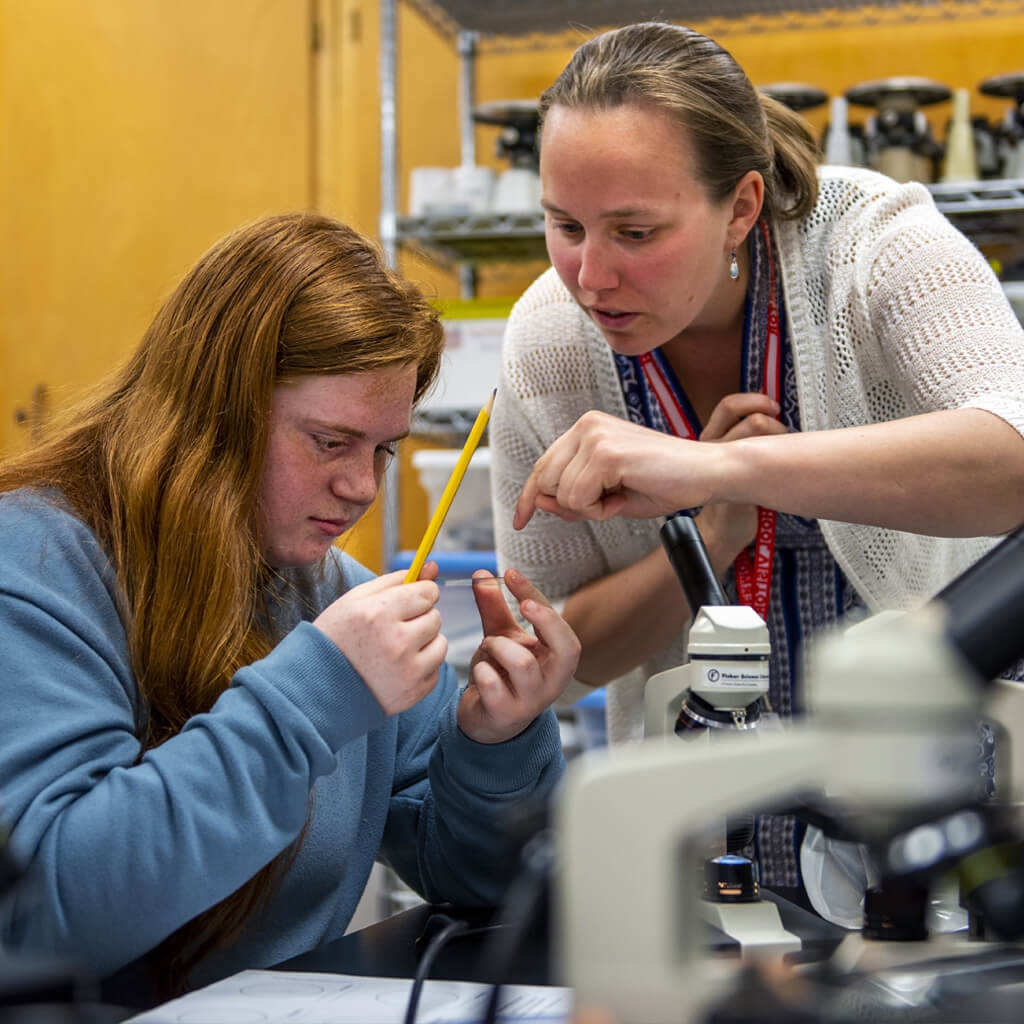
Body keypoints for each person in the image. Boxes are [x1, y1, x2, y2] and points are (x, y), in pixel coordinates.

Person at [490, 21, 1024, 911]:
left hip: (940, 811)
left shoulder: (871, 247)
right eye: (564, 225)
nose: (590, 276)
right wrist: (706, 535)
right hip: (706, 840)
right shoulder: (549, 341)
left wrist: (728, 472)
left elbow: (1013, 456)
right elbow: (568, 653)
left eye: (635, 231)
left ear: (740, 206)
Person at [0, 212, 580, 996]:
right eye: (329, 441)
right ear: (214, 409)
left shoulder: (328, 588)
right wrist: (311, 699)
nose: (362, 488)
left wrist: (495, 743)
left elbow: (479, 881)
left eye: (383, 449)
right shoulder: (35, 566)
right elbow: (47, 917)